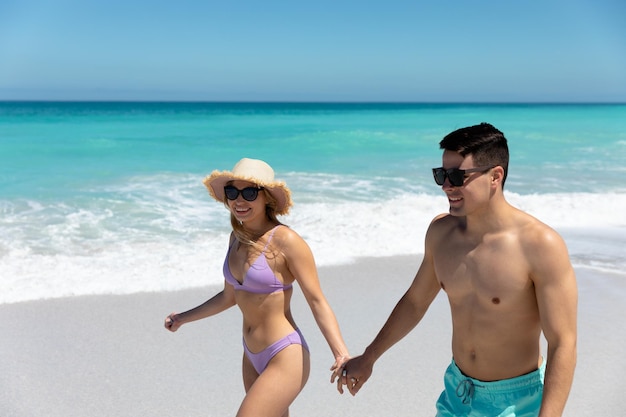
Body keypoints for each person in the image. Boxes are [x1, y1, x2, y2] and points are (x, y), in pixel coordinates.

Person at [333, 123, 577, 417]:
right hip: (457, 392)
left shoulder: (539, 245)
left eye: (457, 176)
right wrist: (370, 357)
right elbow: (415, 302)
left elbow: (563, 341)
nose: (447, 186)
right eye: (441, 175)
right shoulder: (441, 233)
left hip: (517, 401)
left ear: (495, 177)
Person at [165, 158, 350, 417]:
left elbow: (316, 300)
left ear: (267, 199)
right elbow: (229, 296)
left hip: (284, 354)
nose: (239, 201)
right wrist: (184, 317)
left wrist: (341, 354)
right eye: (232, 192)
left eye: (249, 192)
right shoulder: (236, 238)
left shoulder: (286, 240)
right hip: (250, 354)